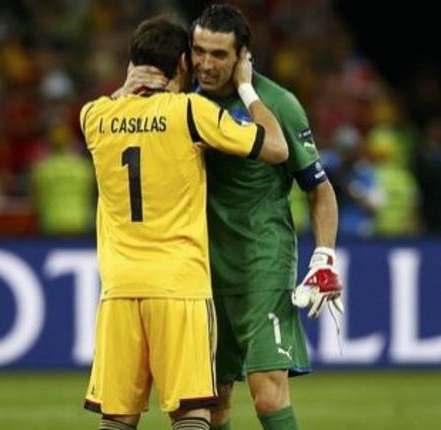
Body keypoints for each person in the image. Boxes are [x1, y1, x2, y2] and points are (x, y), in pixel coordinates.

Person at [119, 5, 342, 430]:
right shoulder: (184, 105)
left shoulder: (278, 103)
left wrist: (324, 255)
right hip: (200, 270)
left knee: (267, 393)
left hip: (263, 264)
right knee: (213, 402)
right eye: (198, 51)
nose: (205, 63)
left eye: (219, 54)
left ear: (243, 56)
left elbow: (321, 190)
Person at [81, 16, 287, 430]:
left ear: (131, 64)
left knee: (117, 418)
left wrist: (127, 88)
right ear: (182, 62)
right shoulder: (191, 111)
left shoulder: (94, 116)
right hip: (178, 286)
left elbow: (123, 104)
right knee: (191, 413)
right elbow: (278, 149)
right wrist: (246, 88)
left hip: (119, 288)